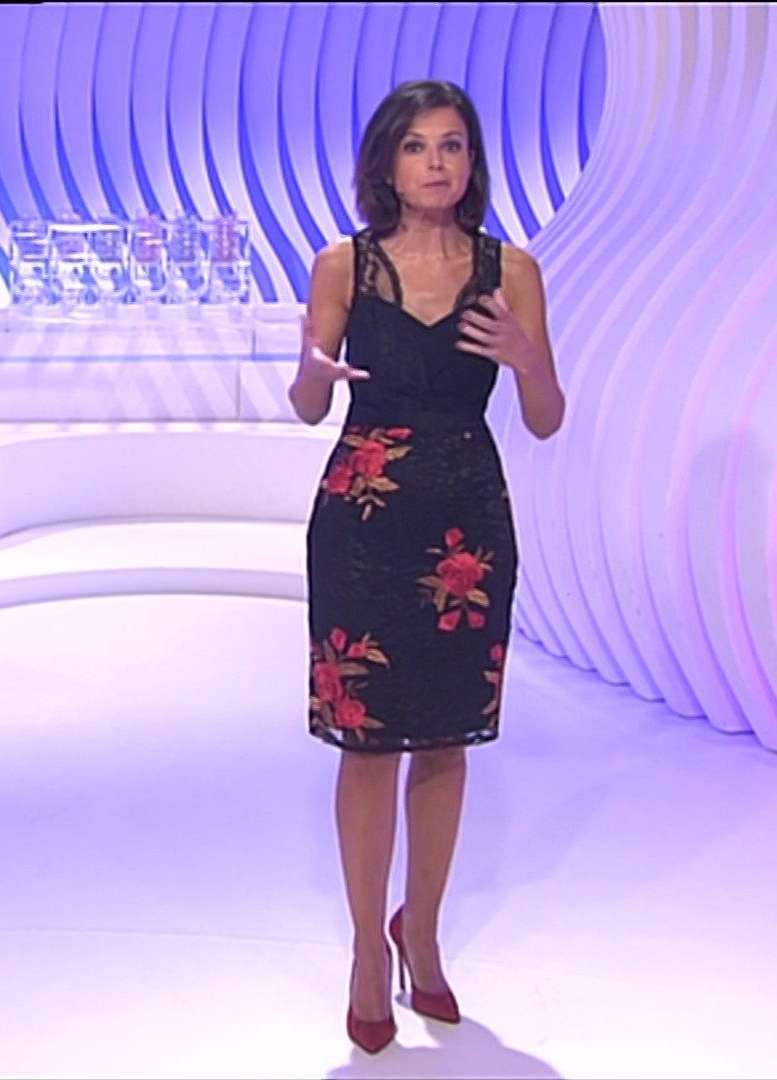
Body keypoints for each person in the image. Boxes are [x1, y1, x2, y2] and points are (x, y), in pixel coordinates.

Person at [288, 78, 566, 1054]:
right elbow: (306, 406)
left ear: (472, 160)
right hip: (363, 520)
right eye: (417, 146)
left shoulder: (511, 269)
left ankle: (425, 935)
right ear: (388, 163)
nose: (437, 162)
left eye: (453, 144)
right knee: (368, 745)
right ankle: (368, 952)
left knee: (446, 739)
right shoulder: (344, 265)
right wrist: (309, 373)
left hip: (464, 527)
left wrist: (527, 357)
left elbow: (546, 417)